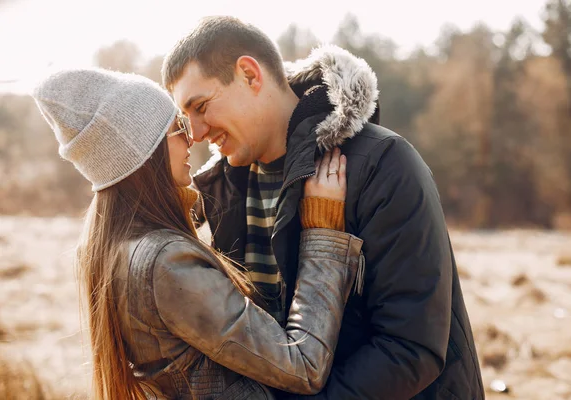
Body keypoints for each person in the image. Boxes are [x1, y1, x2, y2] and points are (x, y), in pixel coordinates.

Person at [162, 16, 484, 399]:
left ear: (249, 75)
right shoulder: (218, 189)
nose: (196, 133)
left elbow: (411, 347)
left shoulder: (384, 163)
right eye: (186, 118)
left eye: (201, 106)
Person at [32, 68, 364, 400]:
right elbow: (304, 366)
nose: (191, 136)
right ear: (146, 154)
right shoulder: (165, 263)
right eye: (177, 127)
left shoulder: (111, 248)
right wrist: (323, 234)